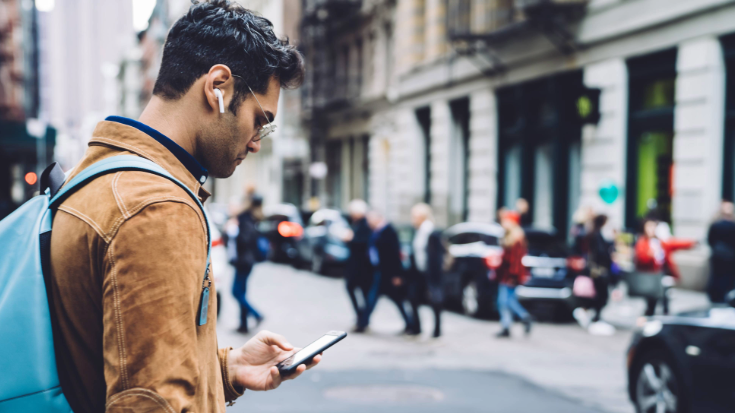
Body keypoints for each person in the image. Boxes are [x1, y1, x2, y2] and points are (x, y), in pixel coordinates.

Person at [46, 2, 319, 412]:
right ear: (218, 87)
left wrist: (227, 368)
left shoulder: (101, 177)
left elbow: (123, 362)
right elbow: (151, 403)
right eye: (260, 119)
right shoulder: (156, 207)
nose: (257, 141)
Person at [357, 209, 413, 333]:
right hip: (379, 271)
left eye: (370, 220)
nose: (368, 223)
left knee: (395, 299)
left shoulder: (389, 231)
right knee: (374, 298)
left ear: (377, 218)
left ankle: (410, 323)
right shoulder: (376, 231)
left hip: (388, 273)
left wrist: (397, 275)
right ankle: (363, 322)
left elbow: (394, 254)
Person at [635, 218, 696, 315]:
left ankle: (665, 317)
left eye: (653, 226)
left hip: (662, 274)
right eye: (649, 226)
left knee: (665, 299)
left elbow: (675, 243)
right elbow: (640, 258)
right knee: (652, 301)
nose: (651, 229)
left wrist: (692, 243)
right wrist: (649, 255)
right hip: (650, 276)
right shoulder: (642, 242)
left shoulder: (660, 242)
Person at [408, 203, 444, 338]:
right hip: (418, 272)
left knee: (435, 301)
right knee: (413, 298)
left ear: (422, 217)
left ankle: (437, 330)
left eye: (414, 216)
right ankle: (416, 327)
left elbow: (438, 256)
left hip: (431, 273)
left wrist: (435, 274)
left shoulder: (432, 232)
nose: (412, 219)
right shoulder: (417, 231)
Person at [231, 195, 266, 333]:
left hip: (243, 261)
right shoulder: (253, 218)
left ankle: (256, 314)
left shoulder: (245, 218)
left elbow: (244, 239)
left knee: (235, 292)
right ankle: (243, 325)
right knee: (242, 292)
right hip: (248, 260)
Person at [496, 210, 532, 338]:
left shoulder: (516, 239)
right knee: (506, 301)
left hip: (510, 276)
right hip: (505, 275)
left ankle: (521, 318)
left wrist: (513, 276)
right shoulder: (508, 236)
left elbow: (516, 261)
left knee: (505, 301)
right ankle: (508, 325)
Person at [342, 199, 373, 329]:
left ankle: (363, 319)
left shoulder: (365, 225)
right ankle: (361, 317)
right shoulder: (355, 223)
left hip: (363, 266)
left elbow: (362, 244)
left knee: (363, 291)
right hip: (356, 265)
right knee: (354, 289)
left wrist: (350, 239)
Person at [586, 214, 613, 323]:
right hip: (599, 269)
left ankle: (595, 314)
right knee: (602, 294)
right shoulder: (597, 235)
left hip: (599, 268)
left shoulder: (596, 234)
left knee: (600, 293)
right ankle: (594, 314)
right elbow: (600, 252)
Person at [707, 201, 735, 303]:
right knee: (727, 278)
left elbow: (710, 240)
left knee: (716, 276)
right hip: (730, 257)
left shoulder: (715, 225)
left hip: (717, 255)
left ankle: (715, 296)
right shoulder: (733, 226)